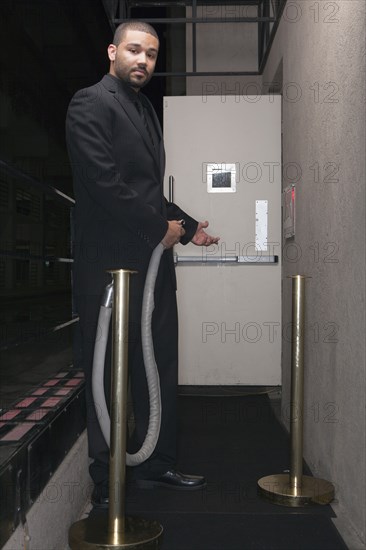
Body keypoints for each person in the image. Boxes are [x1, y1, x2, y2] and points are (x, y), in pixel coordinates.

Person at [65, 20, 219, 507]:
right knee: (106, 370)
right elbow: (104, 182)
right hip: (109, 269)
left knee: (157, 365)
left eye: (151, 55)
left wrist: (188, 227)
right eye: (134, 50)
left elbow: (149, 192)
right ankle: (105, 480)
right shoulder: (90, 102)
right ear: (113, 51)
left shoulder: (147, 111)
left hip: (153, 267)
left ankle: (157, 464)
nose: (143, 61)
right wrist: (160, 230)